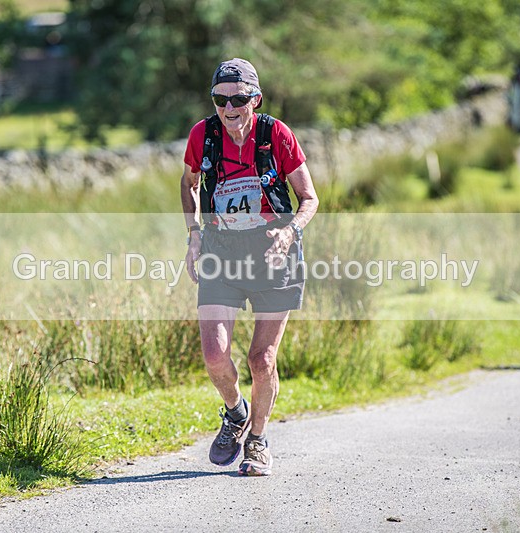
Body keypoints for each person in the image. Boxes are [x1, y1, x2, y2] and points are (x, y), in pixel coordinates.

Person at [179, 58, 319, 476]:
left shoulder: (276, 134)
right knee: (214, 354)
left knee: (262, 359)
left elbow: (309, 198)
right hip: (222, 252)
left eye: (239, 98)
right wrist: (194, 234)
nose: (229, 107)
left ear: (255, 99)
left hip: (274, 254)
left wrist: (290, 230)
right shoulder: (202, 136)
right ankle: (235, 411)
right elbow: (188, 185)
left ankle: (257, 441)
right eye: (220, 99)